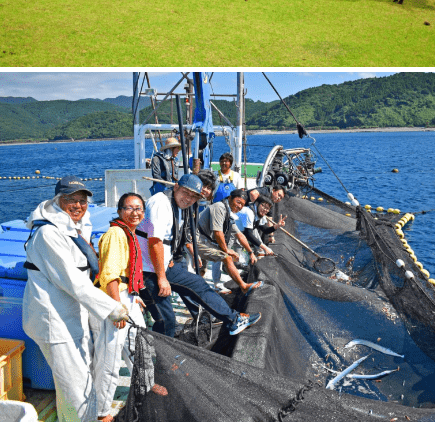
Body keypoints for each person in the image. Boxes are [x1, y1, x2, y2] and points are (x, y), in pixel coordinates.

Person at [22, 176, 129, 422]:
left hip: (71, 315)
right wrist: (112, 308)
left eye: (82, 201)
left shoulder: (73, 228)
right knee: (74, 386)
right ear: (57, 200)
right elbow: (74, 282)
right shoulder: (48, 234)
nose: (78, 205)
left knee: (78, 379)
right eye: (71, 200)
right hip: (54, 321)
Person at [137, 174, 261, 337]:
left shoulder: (179, 206)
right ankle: (160, 359)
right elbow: (154, 242)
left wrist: (169, 260)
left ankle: (233, 319)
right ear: (176, 187)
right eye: (185, 193)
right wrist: (161, 277)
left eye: (194, 197)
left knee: (197, 283)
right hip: (149, 271)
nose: (188, 199)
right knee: (166, 320)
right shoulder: (160, 203)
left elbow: (173, 238)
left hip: (162, 265)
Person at [91, 193, 147, 422]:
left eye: (139, 209)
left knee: (142, 347)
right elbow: (110, 275)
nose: (135, 213)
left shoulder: (130, 233)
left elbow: (127, 272)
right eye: (130, 208)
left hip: (128, 297)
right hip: (113, 299)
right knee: (109, 360)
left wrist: (134, 296)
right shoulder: (116, 234)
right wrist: (117, 307)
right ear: (120, 211)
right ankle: (102, 412)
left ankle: (148, 389)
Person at [198, 189, 264, 294]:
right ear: (230, 198)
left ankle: (200, 289)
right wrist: (227, 250)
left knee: (203, 269)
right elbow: (218, 233)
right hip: (196, 238)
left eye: (242, 205)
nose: (240, 206)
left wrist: (250, 252)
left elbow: (239, 235)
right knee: (226, 257)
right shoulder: (219, 207)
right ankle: (243, 286)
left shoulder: (229, 213)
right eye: (238, 202)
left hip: (206, 240)